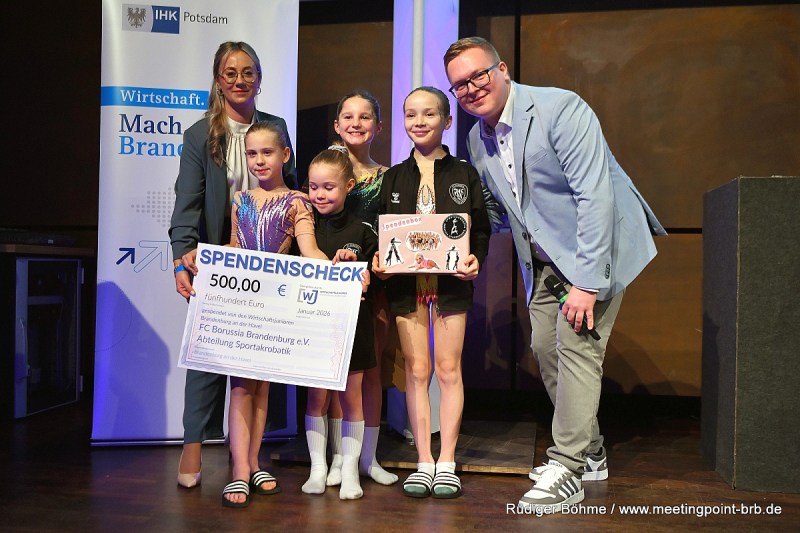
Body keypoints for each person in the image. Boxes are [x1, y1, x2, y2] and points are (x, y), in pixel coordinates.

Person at [443, 36, 667, 513]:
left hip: (595, 251)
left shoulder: (561, 109)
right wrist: (454, 238)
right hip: (544, 261)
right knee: (545, 348)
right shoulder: (477, 139)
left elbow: (594, 195)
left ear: (502, 69)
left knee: (577, 346)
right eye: (459, 85)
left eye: (478, 75)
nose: (471, 88)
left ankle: (568, 466)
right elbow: (501, 211)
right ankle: (593, 452)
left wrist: (587, 282)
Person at [169, 41, 298, 490]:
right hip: (218, 259)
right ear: (218, 80)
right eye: (231, 73)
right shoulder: (199, 135)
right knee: (208, 356)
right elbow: (188, 203)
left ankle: (248, 457)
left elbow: (291, 191)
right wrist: (181, 259)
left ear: (259, 78)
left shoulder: (277, 127)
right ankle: (192, 445)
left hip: (269, 261)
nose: (240, 80)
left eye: (248, 72)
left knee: (259, 364)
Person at [372, 87, 491, 499]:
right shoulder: (392, 177)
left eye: (428, 114)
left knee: (448, 369)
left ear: (447, 120)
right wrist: (379, 261)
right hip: (407, 287)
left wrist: (475, 259)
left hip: (451, 285)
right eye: (410, 114)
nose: (419, 121)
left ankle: (447, 462)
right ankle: (424, 461)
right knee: (416, 370)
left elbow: (480, 228)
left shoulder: (464, 174)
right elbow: (382, 233)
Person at [223, 120, 329, 508]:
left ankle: (253, 463)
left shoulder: (298, 201)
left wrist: (341, 271)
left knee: (262, 387)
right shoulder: (240, 200)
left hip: (274, 306)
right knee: (240, 386)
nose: (259, 160)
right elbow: (235, 247)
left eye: (267, 152)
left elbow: (309, 250)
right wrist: (203, 258)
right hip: (241, 302)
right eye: (252, 153)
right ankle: (239, 469)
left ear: (285, 155)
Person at [322, 92, 399, 488]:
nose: (356, 123)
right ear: (336, 125)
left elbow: (394, 233)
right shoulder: (323, 170)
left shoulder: (389, 177)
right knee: (338, 373)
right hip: (329, 289)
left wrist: (377, 265)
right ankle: (339, 458)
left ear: (378, 127)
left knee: (370, 372)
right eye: (348, 116)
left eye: (365, 117)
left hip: (373, 288)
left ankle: (368, 457)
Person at [302, 143, 384, 500]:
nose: (319, 194)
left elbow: (378, 272)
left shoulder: (363, 230)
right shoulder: (304, 230)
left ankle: (350, 470)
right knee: (316, 398)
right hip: (312, 326)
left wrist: (361, 268)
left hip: (354, 325)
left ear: (349, 186)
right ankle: (318, 468)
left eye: (328, 187)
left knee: (352, 399)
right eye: (313, 186)